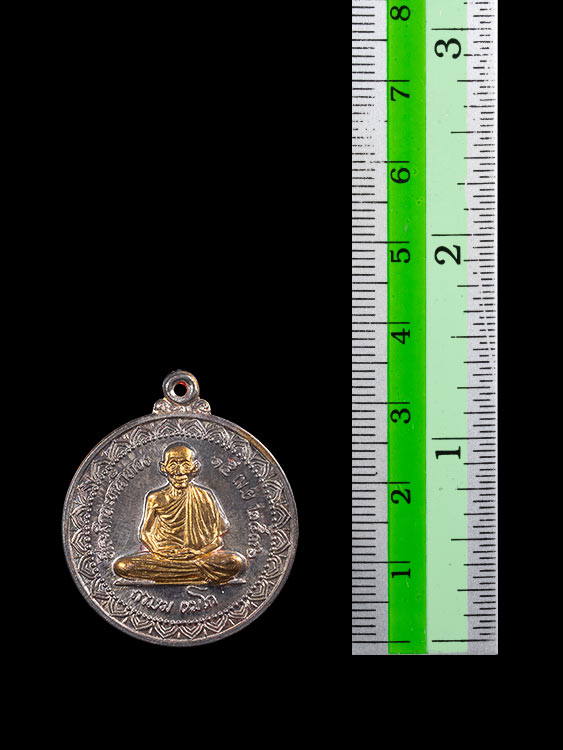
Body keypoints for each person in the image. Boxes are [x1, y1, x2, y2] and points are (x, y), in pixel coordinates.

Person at [113, 444, 246, 584]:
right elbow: (145, 533)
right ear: (163, 468)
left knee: (234, 562)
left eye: (185, 465)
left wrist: (198, 553)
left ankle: (172, 574)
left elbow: (217, 540)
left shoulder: (204, 496)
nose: (179, 472)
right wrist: (158, 551)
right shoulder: (155, 498)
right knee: (122, 566)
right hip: (164, 557)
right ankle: (196, 574)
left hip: (198, 557)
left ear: (194, 467)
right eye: (173, 465)